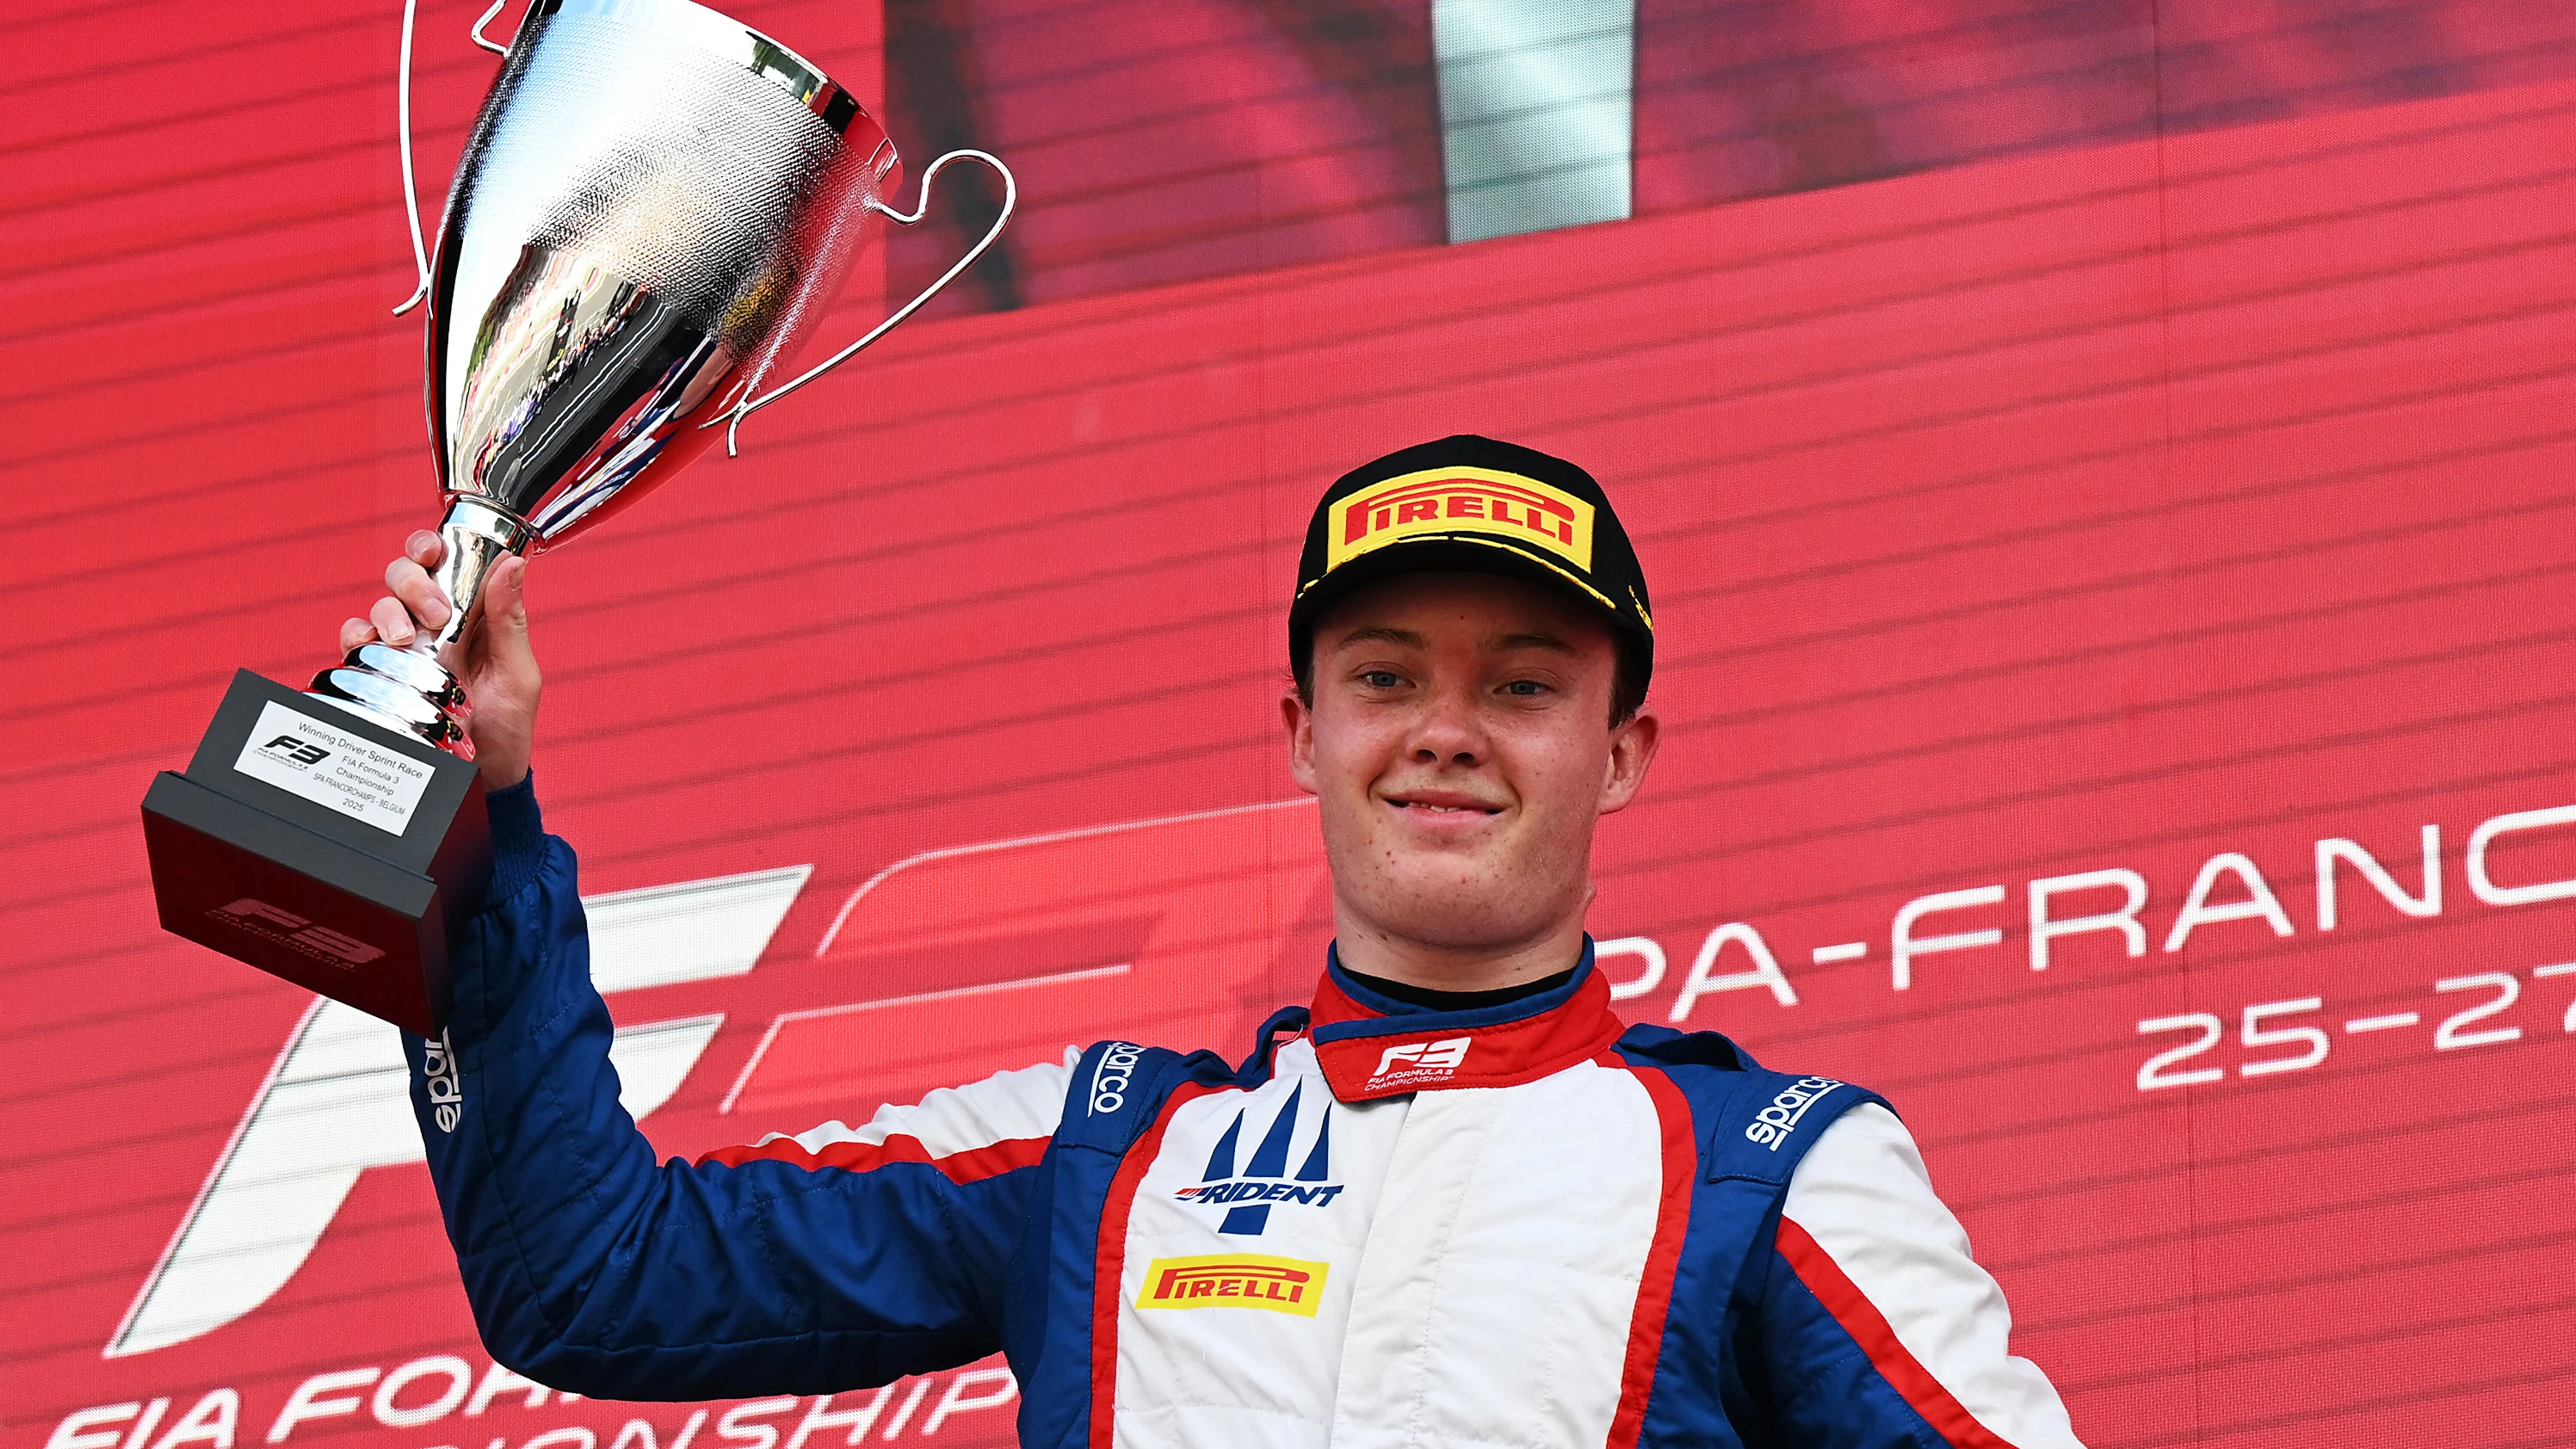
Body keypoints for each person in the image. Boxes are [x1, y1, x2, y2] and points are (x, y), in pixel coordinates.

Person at [359, 435, 2087, 1448]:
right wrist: (477, 829)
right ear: (1299, 728)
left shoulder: (1773, 1167)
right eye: (1387, 674)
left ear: (1619, 752)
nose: (1441, 728)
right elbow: (592, 1282)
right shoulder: (1106, 1145)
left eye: (1523, 685)